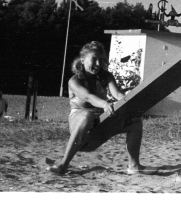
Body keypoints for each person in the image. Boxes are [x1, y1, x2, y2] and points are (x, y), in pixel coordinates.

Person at [49, 41, 146, 176]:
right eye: (94, 59)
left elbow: (117, 94)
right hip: (80, 119)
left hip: (100, 120)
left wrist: (131, 102)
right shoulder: (74, 81)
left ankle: (134, 166)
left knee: (135, 121)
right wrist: (105, 104)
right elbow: (87, 97)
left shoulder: (106, 76)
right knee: (86, 115)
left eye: (101, 60)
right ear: (82, 60)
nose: (98, 64)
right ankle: (63, 164)